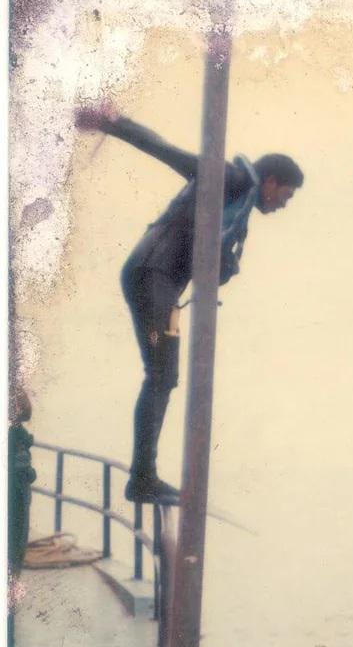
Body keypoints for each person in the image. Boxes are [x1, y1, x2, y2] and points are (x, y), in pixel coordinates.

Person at [74, 106, 304, 502]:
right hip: (153, 275)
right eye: (284, 195)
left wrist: (226, 264)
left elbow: (207, 264)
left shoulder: (239, 207)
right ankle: (142, 479)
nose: (284, 205)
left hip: (159, 281)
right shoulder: (230, 179)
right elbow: (170, 152)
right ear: (269, 182)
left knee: (163, 377)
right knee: (161, 377)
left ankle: (143, 477)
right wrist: (113, 124)